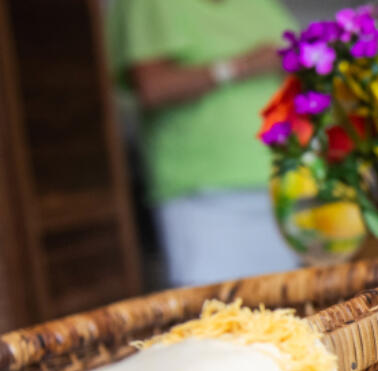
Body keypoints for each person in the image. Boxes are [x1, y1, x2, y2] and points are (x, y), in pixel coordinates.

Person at [107, 0, 301, 288]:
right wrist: (241, 65)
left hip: (278, 188)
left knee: (288, 312)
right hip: (204, 196)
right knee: (217, 317)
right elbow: (151, 87)